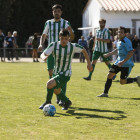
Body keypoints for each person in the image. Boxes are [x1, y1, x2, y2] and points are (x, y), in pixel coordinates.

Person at [39, 29, 93, 110]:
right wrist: (44, 57)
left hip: (65, 74)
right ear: (59, 37)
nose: (64, 40)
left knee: (49, 84)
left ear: (69, 38)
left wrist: (89, 63)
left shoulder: (72, 46)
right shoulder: (54, 45)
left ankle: (48, 102)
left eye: (66, 38)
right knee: (56, 90)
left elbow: (84, 50)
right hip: (56, 72)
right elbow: (43, 54)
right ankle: (67, 102)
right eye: (62, 38)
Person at [38, 4, 75, 106]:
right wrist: (41, 44)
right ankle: (55, 98)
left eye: (58, 11)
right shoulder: (48, 23)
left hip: (63, 53)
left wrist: (71, 31)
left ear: (61, 12)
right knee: (51, 73)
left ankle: (61, 98)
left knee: (62, 74)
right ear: (52, 12)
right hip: (51, 52)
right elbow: (44, 35)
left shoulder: (66, 23)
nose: (57, 12)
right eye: (55, 11)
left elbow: (72, 37)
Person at [97, 26, 140, 97]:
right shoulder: (119, 41)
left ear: (125, 34)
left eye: (122, 32)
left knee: (122, 82)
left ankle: (136, 79)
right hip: (118, 63)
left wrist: (123, 61)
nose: (120, 33)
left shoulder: (127, 41)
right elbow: (117, 50)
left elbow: (131, 52)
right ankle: (105, 93)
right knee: (110, 75)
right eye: (119, 32)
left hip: (126, 64)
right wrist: (109, 54)